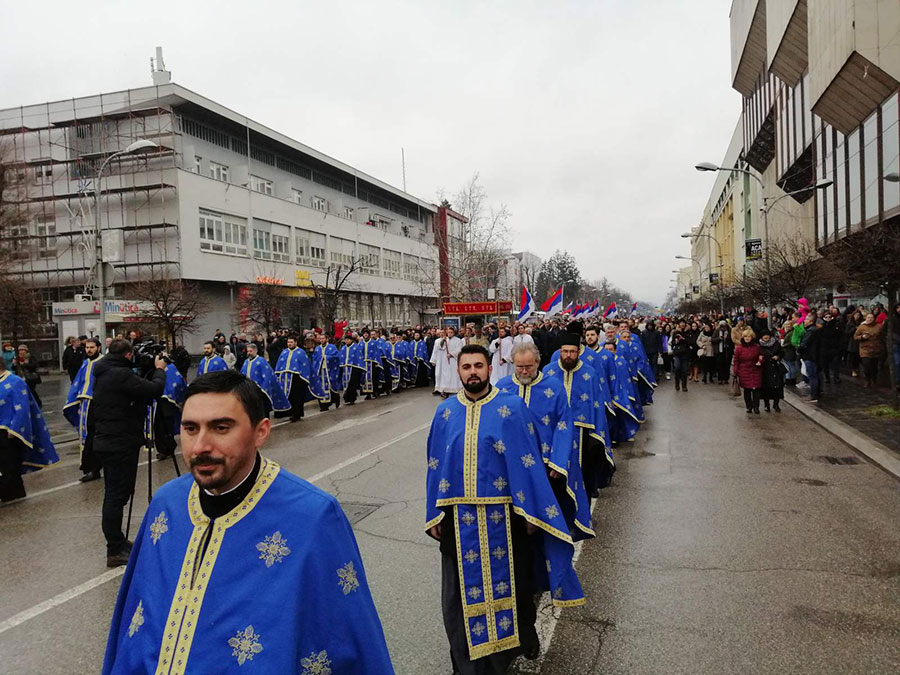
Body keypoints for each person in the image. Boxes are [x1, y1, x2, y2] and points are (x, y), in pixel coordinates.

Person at [103, 370, 394, 674]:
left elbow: (350, 639)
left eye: (220, 427)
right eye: (190, 428)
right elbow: (135, 618)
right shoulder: (167, 504)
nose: (200, 445)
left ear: (261, 432)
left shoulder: (313, 516)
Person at [425, 345, 584, 672]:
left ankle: (503, 657)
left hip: (506, 517)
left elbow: (528, 464)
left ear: (489, 369)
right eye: (466, 366)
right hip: (458, 517)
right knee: (456, 596)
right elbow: (435, 464)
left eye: (478, 366)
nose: (472, 372)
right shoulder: (445, 413)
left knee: (513, 588)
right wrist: (433, 512)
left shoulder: (510, 409)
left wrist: (531, 512)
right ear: (458, 371)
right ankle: (466, 664)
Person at [495, 342, 593, 541]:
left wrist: (558, 460)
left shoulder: (553, 387)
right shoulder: (502, 388)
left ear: (538, 363)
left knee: (547, 515)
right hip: (512, 465)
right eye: (519, 366)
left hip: (545, 464)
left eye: (529, 366)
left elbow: (564, 425)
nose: (524, 371)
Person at [91, 339, 168, 566]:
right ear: (127, 355)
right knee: (116, 495)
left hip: (111, 440)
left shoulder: (106, 371)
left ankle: (119, 543)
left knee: (118, 493)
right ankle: (114, 548)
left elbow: (136, 390)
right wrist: (160, 370)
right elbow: (154, 390)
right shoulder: (119, 375)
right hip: (119, 442)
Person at [543, 334, 612, 495]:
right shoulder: (549, 371)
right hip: (554, 432)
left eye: (572, 352)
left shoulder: (589, 373)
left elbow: (597, 403)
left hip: (582, 433)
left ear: (579, 352)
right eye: (565, 351)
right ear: (560, 351)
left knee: (583, 475)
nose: (568, 355)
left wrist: (598, 432)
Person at [0, 356, 58, 501]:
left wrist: (14, 429)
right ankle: (14, 493)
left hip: (8, 431)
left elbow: (22, 408)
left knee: (9, 465)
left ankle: (10, 494)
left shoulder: (15, 382)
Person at [63, 337, 104, 482]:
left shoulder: (103, 362)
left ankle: (96, 466)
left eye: (92, 347)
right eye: (87, 347)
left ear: (98, 348)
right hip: (85, 404)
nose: (89, 350)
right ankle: (92, 468)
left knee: (96, 435)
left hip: (98, 404)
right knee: (88, 436)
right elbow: (78, 383)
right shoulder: (85, 363)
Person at [241, 342, 291, 417]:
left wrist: (264, 388)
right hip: (249, 390)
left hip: (260, 390)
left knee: (263, 409)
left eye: (250, 351)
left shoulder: (261, 361)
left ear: (255, 351)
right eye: (248, 351)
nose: (249, 353)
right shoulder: (246, 362)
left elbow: (267, 375)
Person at [274, 336, 311, 422]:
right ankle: (292, 413)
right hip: (286, 378)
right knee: (289, 396)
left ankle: (297, 414)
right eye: (288, 342)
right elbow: (280, 363)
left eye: (291, 342)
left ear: (295, 343)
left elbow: (305, 365)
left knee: (297, 397)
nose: (289, 344)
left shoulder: (300, 352)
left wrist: (303, 376)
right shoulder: (284, 352)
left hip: (297, 378)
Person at [733, 329, 764, 414]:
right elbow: (736, 361)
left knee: (756, 390)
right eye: (745, 336)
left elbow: (761, 356)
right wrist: (735, 372)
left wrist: (760, 361)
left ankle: (756, 407)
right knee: (747, 390)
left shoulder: (757, 347)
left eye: (749, 336)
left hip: (755, 370)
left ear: (752, 337)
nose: (747, 338)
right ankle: (749, 406)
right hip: (744, 371)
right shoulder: (739, 348)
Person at [310, 333, 342, 411]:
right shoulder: (317, 348)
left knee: (331, 386)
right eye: (320, 339)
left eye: (323, 338)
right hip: (320, 371)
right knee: (321, 387)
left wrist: (326, 357)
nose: (321, 340)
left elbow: (336, 357)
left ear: (327, 339)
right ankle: (324, 405)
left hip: (330, 370)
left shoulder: (332, 347)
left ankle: (335, 399)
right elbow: (315, 359)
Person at [430, 326, 463, 397]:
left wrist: (451, 354)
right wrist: (443, 341)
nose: (449, 334)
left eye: (451, 332)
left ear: (454, 333)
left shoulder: (458, 340)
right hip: (445, 361)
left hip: (454, 360)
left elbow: (459, 350)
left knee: (454, 375)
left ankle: (456, 389)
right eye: (448, 332)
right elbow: (441, 347)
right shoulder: (445, 339)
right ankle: (446, 389)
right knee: (446, 375)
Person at [854, 313, 885, 388]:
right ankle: (867, 380)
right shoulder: (861, 327)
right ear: (866, 318)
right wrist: (862, 337)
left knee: (874, 366)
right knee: (866, 365)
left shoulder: (879, 326)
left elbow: (882, 336)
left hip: (875, 349)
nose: (870, 319)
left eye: (871, 317)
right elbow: (855, 337)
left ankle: (874, 379)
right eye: (868, 317)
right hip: (865, 349)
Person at [797, 315, 823, 402]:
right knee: (816, 375)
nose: (805, 321)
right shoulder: (816, 330)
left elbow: (804, 344)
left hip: (809, 356)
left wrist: (799, 349)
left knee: (812, 376)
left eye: (807, 319)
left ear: (811, 321)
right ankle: (817, 392)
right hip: (816, 356)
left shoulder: (810, 331)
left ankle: (813, 395)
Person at [759, 329, 785, 412]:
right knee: (766, 388)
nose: (766, 337)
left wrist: (778, 356)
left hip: (775, 369)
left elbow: (782, 352)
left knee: (777, 387)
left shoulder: (776, 344)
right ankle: (767, 405)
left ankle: (776, 404)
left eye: (767, 335)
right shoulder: (759, 345)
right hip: (764, 369)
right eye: (764, 335)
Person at [340, 334, 365, 404]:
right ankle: (347, 397)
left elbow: (359, 357)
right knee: (346, 383)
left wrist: (358, 367)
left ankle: (352, 398)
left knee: (352, 383)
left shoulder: (356, 347)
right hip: (345, 368)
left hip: (354, 367)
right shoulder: (343, 348)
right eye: (346, 340)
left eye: (348, 339)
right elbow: (341, 357)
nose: (347, 341)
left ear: (351, 340)